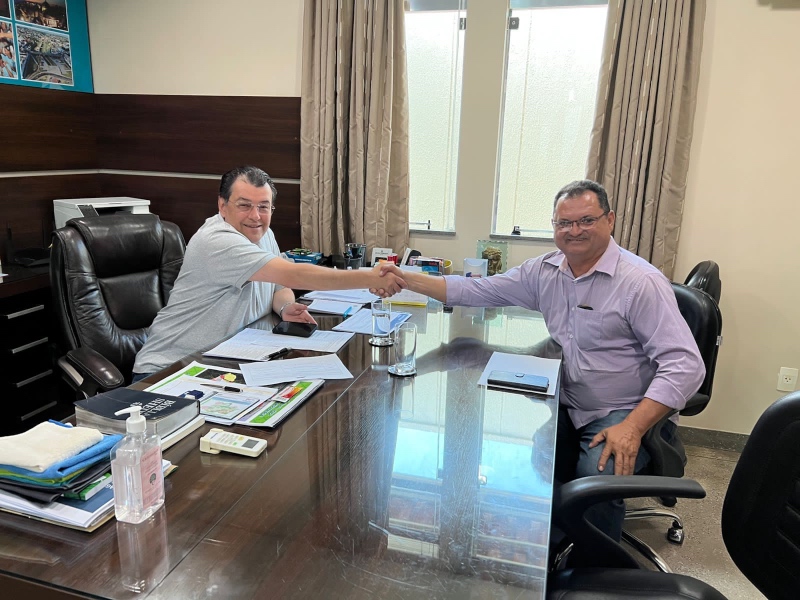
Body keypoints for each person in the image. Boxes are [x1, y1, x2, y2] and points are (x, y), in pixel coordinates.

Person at [376, 179, 704, 541]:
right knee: (528, 459)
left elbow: (686, 365)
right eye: (564, 223)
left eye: (586, 220)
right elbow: (476, 290)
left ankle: (596, 562)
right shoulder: (545, 271)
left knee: (595, 477)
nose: (574, 231)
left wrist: (633, 427)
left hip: (625, 410)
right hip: (570, 400)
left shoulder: (640, 282)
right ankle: (554, 542)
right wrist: (405, 280)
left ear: (610, 220)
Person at [132, 165, 406, 379]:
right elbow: (292, 275)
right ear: (222, 205)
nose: (255, 216)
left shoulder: (263, 233)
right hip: (169, 369)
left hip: (224, 360)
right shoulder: (217, 240)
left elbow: (280, 285)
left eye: (264, 206)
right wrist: (372, 276)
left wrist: (285, 306)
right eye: (244, 205)